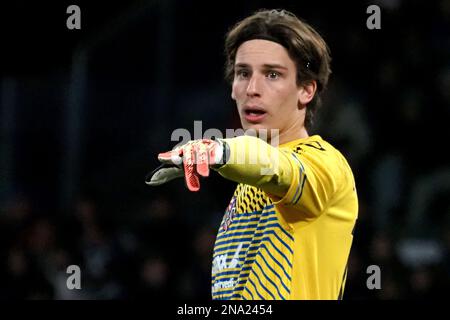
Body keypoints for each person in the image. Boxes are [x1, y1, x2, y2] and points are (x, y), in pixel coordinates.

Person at [146, 9, 358, 300]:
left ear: (306, 90)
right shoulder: (246, 187)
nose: (252, 89)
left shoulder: (326, 164)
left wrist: (221, 150)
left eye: (273, 74)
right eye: (243, 73)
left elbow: (275, 167)